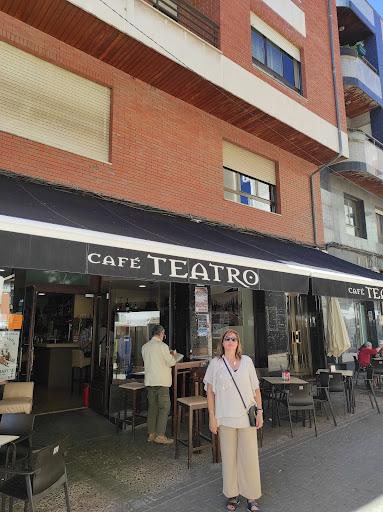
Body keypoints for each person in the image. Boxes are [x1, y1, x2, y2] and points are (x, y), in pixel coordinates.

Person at [204, 329, 263, 512]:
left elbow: (256, 389)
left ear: (238, 343)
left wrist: (260, 411)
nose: (230, 341)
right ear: (222, 342)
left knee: (249, 457)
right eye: (227, 339)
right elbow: (210, 392)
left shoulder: (247, 362)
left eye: (234, 339)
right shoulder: (215, 363)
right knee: (229, 458)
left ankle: (251, 495)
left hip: (246, 417)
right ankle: (232, 493)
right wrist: (212, 416)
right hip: (225, 418)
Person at [142, 325, 176, 444]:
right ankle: (160, 435)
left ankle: (151, 434)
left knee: (152, 407)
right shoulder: (163, 346)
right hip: (161, 381)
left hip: (150, 381)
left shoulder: (145, 347)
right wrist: (172, 355)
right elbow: (171, 362)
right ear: (161, 333)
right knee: (164, 408)